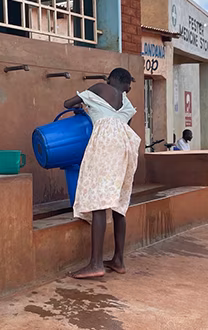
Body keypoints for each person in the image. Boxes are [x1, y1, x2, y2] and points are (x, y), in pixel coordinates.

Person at [62, 67, 141, 279]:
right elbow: (122, 124)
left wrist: (83, 102)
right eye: (128, 87)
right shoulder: (127, 104)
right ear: (124, 83)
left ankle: (96, 263)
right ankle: (118, 260)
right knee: (118, 204)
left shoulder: (100, 87)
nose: (128, 90)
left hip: (105, 146)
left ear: (110, 79)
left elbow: (67, 104)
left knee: (99, 201)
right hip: (125, 148)